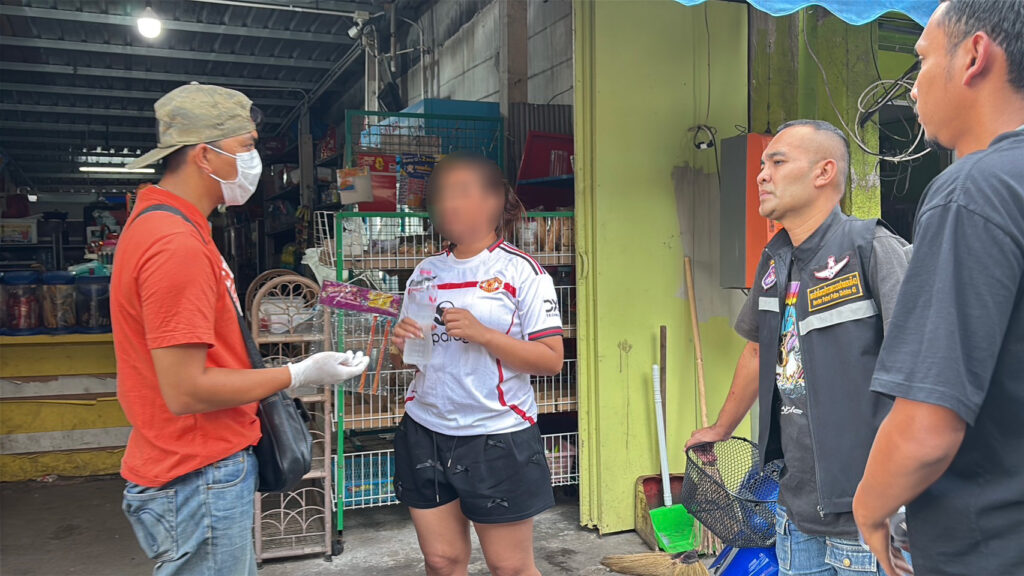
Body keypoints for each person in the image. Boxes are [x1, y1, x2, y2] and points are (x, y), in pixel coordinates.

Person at [112, 83, 368, 575]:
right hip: (196, 470)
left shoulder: (176, 227)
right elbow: (187, 390)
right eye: (246, 147)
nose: (255, 162)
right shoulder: (173, 244)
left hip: (195, 466)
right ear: (203, 155)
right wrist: (297, 373)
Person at [686, 120, 912, 576]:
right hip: (795, 511)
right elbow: (757, 350)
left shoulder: (872, 248)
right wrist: (721, 427)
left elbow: (920, 369)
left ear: (824, 172)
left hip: (866, 515)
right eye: (763, 163)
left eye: (778, 161)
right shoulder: (775, 258)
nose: (761, 174)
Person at [852, 2, 1024, 575]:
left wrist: (870, 507)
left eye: (920, 61)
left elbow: (928, 427)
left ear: (974, 56)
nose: (912, 89)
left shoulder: (972, 192)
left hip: (989, 544)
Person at [389, 154, 565, 576]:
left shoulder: (523, 272)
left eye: (464, 193)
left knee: (510, 567)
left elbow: (551, 360)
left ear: (494, 200)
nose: (450, 205)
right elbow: (410, 358)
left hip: (495, 435)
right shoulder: (425, 272)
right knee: (442, 560)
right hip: (425, 430)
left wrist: (483, 334)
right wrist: (399, 344)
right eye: (443, 195)